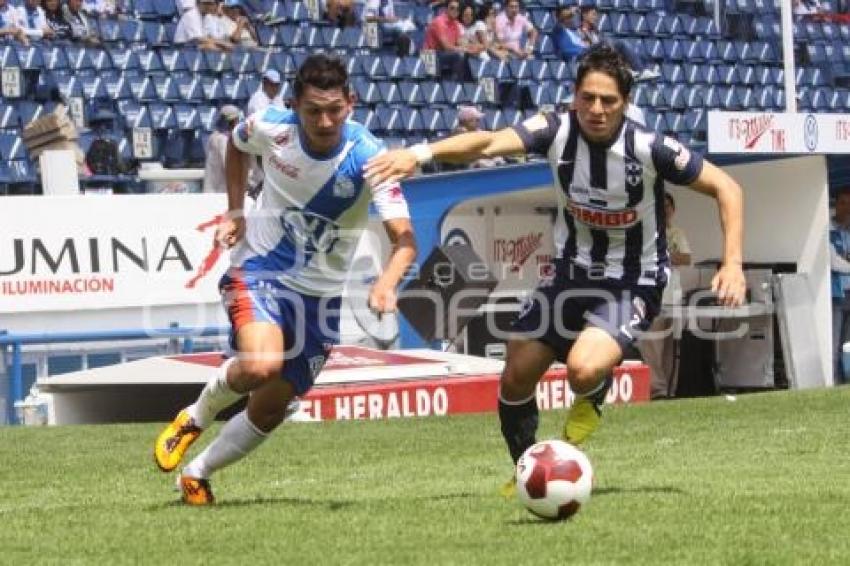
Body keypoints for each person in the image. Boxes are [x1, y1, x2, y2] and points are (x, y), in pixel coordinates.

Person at [365, 44, 745, 494]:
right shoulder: (554, 131)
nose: (596, 109)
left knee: (582, 370)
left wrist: (733, 262)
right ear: (573, 96)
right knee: (516, 373)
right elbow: (487, 141)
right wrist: (420, 153)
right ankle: (528, 470)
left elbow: (727, 186)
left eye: (609, 101)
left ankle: (593, 391)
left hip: (633, 281)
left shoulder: (650, 148)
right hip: (569, 274)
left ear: (625, 103)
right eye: (588, 97)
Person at [153, 54, 417, 505]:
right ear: (295, 106)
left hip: (321, 298)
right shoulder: (272, 127)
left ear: (350, 103)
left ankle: (197, 473)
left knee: (271, 406)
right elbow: (235, 145)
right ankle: (194, 417)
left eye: (334, 108)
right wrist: (236, 209)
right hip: (262, 269)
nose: (325, 120)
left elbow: (405, 240)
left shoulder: (369, 157)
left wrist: (387, 282)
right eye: (313, 110)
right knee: (260, 364)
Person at [637, 192, 692, 399]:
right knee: (651, 346)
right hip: (652, 296)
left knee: (671, 346)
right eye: (662, 205)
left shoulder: (677, 233)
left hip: (674, 297)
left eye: (669, 205)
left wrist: (665, 256)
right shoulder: (645, 232)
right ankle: (657, 389)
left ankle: (670, 389)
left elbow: (686, 258)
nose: (665, 209)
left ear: (673, 209)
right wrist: (668, 257)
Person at [829, 188, 850, 385]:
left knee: (848, 343)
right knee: (834, 342)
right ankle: (833, 382)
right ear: (835, 204)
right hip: (836, 294)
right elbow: (834, 263)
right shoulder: (827, 228)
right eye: (843, 202)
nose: (846, 207)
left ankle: (845, 382)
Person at [423, 0, 471, 81]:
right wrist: (463, 49)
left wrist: (471, 48)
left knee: (469, 56)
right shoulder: (439, 22)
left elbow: (460, 42)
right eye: (452, 8)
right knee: (458, 56)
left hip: (444, 54)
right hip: (430, 55)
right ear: (446, 9)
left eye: (457, 9)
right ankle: (454, 85)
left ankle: (467, 86)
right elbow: (446, 46)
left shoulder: (455, 24)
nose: (455, 11)